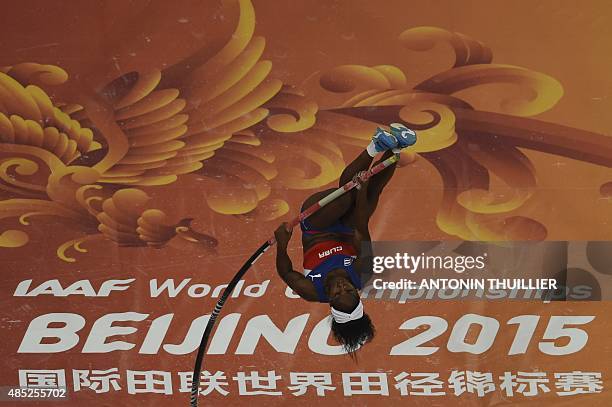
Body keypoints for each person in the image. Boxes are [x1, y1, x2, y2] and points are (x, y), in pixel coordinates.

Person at [273, 123, 417, 356]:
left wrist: (282, 242)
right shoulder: (362, 273)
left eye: (337, 293)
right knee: (367, 196)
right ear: (357, 292)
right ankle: (397, 147)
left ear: (329, 299)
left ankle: (376, 145)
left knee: (345, 197)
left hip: (316, 226)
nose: (341, 287)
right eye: (348, 291)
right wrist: (362, 191)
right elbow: (361, 228)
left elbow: (287, 273)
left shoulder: (311, 290)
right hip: (350, 226)